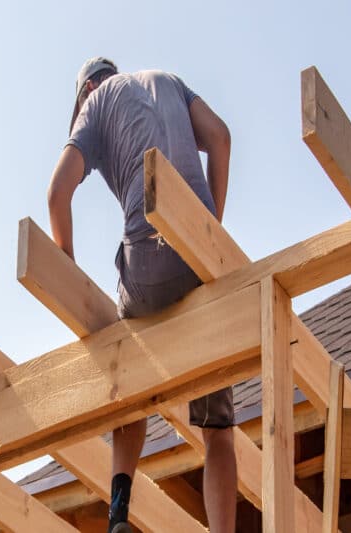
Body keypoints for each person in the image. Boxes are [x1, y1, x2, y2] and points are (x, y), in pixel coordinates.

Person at [46, 57, 235, 533]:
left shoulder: (96, 102)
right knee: (218, 430)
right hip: (201, 261)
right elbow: (222, 139)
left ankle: (118, 516)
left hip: (149, 261)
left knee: (126, 379)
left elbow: (56, 193)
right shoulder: (170, 80)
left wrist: (66, 266)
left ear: (87, 87)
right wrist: (210, 230)